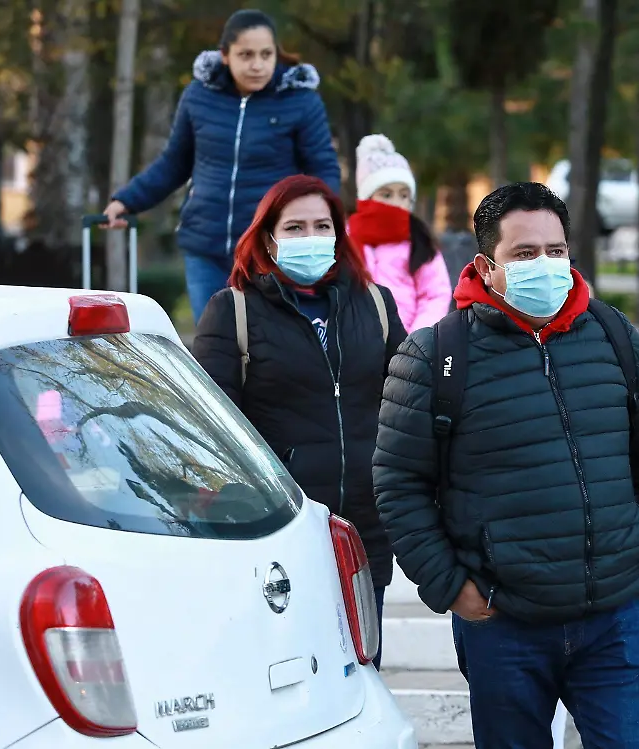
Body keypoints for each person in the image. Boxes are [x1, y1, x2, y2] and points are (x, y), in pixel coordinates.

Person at [373, 182, 639, 749]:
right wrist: (450, 585)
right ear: (485, 264)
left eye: (556, 251)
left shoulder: (612, 335)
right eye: (525, 254)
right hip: (503, 624)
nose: (546, 265)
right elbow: (398, 485)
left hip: (612, 614)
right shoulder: (435, 356)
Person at [191, 175, 405, 669]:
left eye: (321, 225)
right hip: (283, 532)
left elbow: (407, 402)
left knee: (363, 668)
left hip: (365, 529)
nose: (310, 237)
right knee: (292, 671)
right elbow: (212, 429)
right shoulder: (234, 311)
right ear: (269, 237)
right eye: (295, 226)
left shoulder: (375, 304)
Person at [102, 9, 341, 324]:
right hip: (205, 246)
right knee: (214, 340)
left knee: (265, 343)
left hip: (266, 248)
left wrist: (325, 224)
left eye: (266, 54)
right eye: (246, 54)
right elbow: (174, 162)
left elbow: (323, 169)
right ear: (225, 56)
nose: (257, 64)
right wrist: (127, 200)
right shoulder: (198, 97)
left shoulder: (300, 101)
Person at [346, 134, 452, 330]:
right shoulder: (346, 237)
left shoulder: (419, 240)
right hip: (356, 341)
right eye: (386, 194)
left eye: (404, 195)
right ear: (367, 196)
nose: (396, 202)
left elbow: (435, 294)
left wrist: (416, 339)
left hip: (408, 342)